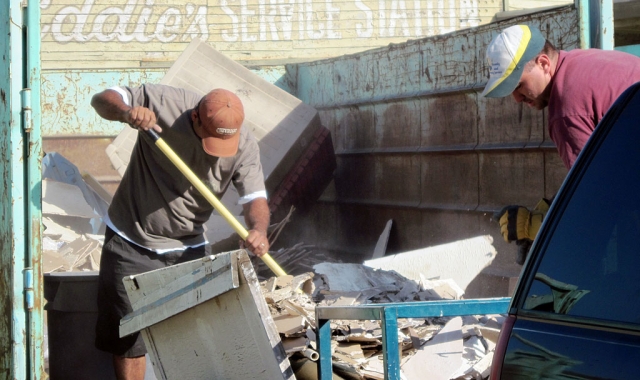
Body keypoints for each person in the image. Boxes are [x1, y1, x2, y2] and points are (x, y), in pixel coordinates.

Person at [91, 83, 271, 379]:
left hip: (188, 249)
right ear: (195, 118)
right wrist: (127, 113)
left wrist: (259, 229)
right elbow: (101, 100)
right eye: (210, 137)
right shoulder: (165, 103)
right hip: (132, 239)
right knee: (129, 339)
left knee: (191, 338)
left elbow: (255, 199)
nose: (216, 150)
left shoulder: (244, 144)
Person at [482, 24, 640, 264]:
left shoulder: (567, 110)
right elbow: (599, 176)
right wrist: (553, 206)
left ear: (543, 63)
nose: (516, 98)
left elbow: (598, 203)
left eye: (518, 85)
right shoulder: (579, 62)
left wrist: (540, 228)